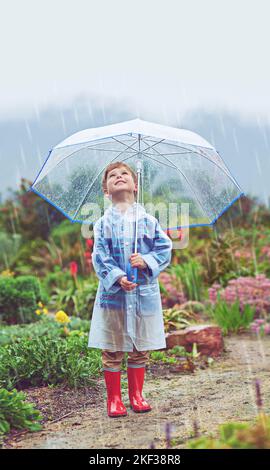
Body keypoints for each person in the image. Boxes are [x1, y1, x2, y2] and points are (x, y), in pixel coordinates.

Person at [88, 161, 172, 417]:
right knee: (112, 348)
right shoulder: (102, 223)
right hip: (114, 296)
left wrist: (145, 261)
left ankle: (136, 394)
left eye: (125, 173)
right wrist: (118, 276)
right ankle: (114, 399)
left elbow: (164, 249)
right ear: (106, 190)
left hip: (143, 294)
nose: (119, 177)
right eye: (112, 175)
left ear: (135, 185)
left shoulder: (148, 221)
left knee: (140, 347)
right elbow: (99, 255)